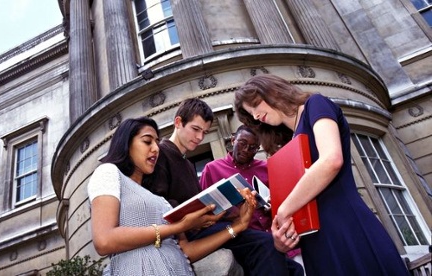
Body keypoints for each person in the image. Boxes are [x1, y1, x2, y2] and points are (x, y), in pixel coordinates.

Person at [234, 74, 410, 275]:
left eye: (255, 106)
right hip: (314, 243)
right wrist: (283, 239)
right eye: (251, 114)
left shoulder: (315, 105)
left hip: (346, 225)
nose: (256, 116)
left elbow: (331, 160)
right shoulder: (289, 142)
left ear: (273, 90)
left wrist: (284, 210)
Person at [144, 98, 302, 275]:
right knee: (266, 244)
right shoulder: (161, 153)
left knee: (294, 268)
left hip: (205, 227)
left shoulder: (187, 164)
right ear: (178, 122)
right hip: (186, 234)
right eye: (195, 129)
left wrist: (226, 213)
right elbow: (157, 202)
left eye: (204, 132)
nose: (199, 137)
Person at [87, 117, 257, 275]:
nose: (155, 148)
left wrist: (238, 225)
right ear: (126, 144)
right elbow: (104, 240)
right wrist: (180, 226)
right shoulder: (109, 172)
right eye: (147, 141)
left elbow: (186, 251)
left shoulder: (160, 200)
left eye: (157, 142)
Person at [200, 124, 304, 275]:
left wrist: (273, 204)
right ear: (233, 140)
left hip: (281, 238)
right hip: (250, 248)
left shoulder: (268, 167)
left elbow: (286, 199)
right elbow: (206, 211)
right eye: (242, 144)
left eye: (253, 148)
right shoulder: (212, 169)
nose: (246, 150)